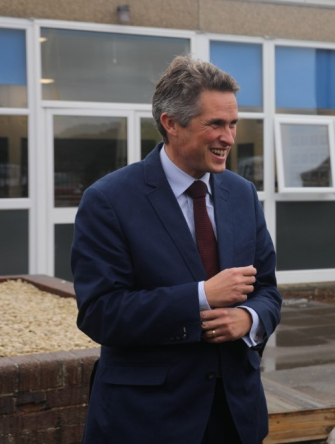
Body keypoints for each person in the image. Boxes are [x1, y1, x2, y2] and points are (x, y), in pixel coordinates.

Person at [71, 56, 281, 444]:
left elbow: (267, 290)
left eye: (233, 124)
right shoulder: (109, 199)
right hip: (146, 421)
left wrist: (249, 319)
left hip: (236, 416)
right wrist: (201, 296)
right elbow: (100, 313)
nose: (229, 138)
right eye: (215, 124)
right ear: (171, 123)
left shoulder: (242, 194)